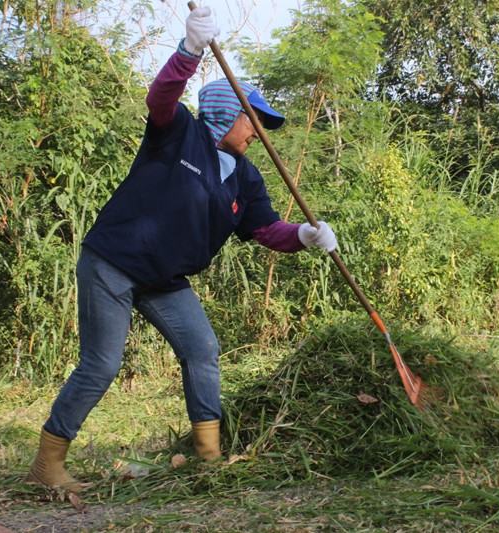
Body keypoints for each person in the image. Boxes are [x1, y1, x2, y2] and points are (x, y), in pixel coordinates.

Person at [27, 5, 337, 493]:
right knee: (102, 363)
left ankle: (208, 456)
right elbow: (161, 96)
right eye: (252, 119)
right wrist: (189, 50)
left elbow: (265, 230)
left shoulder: (247, 178)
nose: (257, 131)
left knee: (202, 349)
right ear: (225, 112)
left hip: (165, 279)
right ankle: (48, 462)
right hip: (114, 261)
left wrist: (304, 235)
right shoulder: (179, 132)